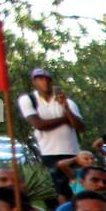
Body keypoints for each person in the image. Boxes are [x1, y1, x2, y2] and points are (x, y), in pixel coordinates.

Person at [18, 69, 83, 203]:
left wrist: (65, 107)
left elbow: (80, 126)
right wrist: (64, 120)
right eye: (40, 79)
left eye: (47, 79)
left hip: (72, 152)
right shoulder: (29, 100)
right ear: (34, 82)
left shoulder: (68, 102)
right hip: (50, 153)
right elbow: (38, 124)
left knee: (76, 190)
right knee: (57, 191)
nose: (44, 82)